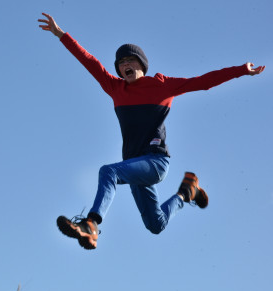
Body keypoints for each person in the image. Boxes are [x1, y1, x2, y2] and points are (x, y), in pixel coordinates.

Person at [38, 13, 265, 250]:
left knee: (108, 172)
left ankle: (91, 224)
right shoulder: (115, 88)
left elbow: (203, 81)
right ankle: (187, 192)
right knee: (155, 225)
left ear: (142, 64)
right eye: (121, 63)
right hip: (134, 166)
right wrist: (60, 34)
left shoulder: (162, 85)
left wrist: (241, 70)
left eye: (130, 61)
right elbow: (89, 61)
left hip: (156, 163)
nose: (126, 65)